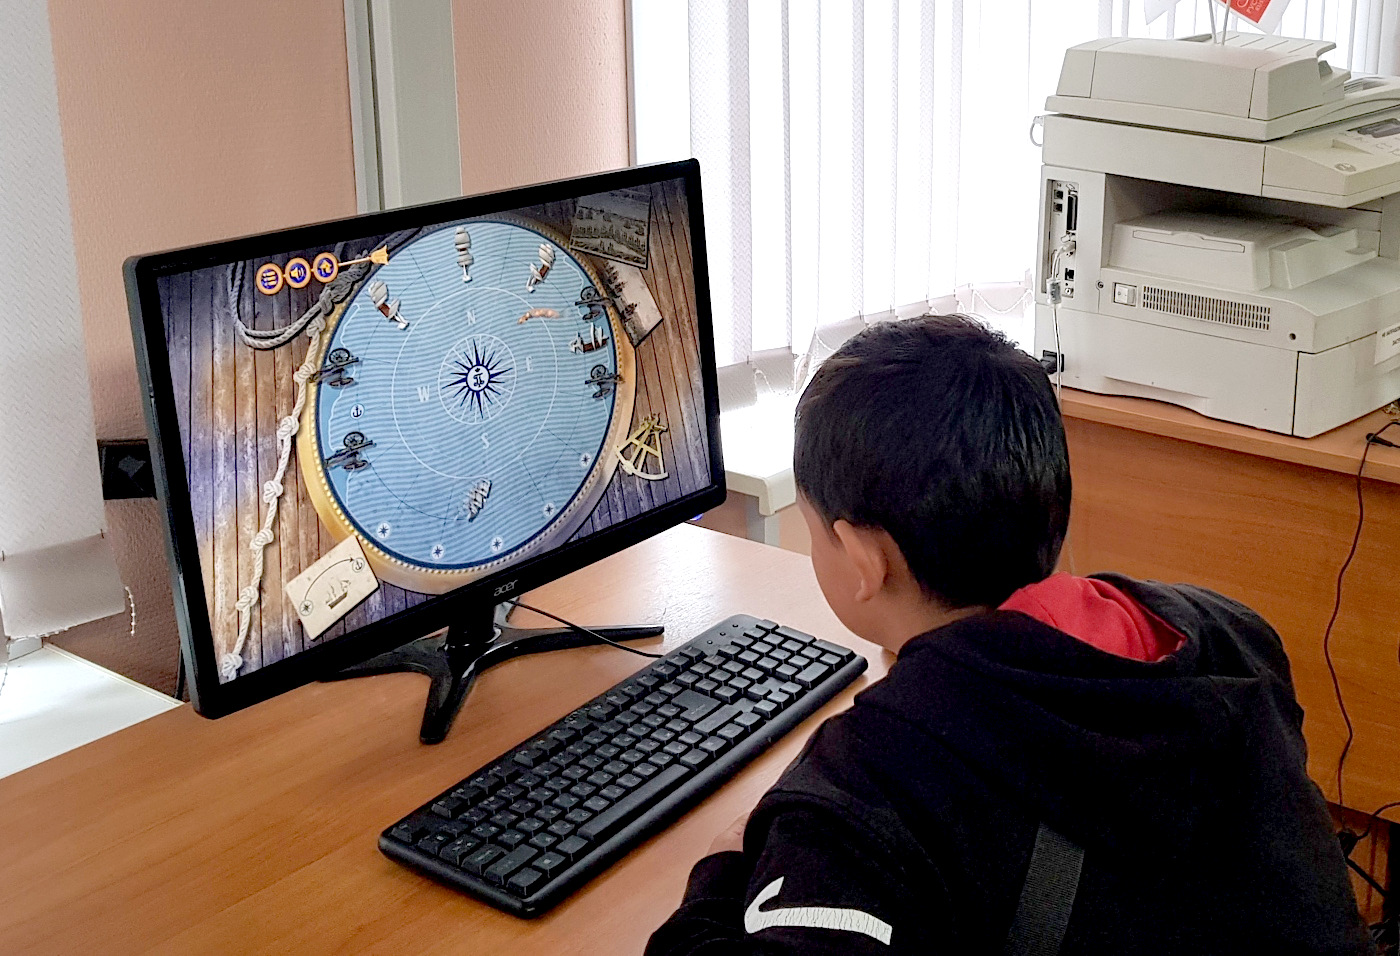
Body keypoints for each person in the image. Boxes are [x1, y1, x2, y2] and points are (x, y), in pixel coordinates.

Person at [646, 314, 1372, 954]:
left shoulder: (870, 784)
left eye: (814, 530)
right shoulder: (1226, 634)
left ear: (865, 560)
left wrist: (719, 873)